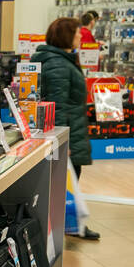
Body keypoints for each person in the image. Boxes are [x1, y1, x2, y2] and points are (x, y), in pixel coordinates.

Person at [36, 16, 97, 241]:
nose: (81, 36)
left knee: (69, 180)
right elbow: (57, 104)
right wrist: (62, 141)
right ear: (66, 36)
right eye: (77, 33)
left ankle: (68, 224)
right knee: (66, 182)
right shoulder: (58, 63)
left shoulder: (61, 59)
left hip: (74, 129)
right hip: (67, 132)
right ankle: (66, 224)